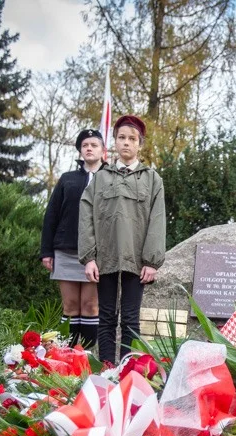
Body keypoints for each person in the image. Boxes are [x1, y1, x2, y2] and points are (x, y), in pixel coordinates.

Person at [79, 115, 165, 365]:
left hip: (137, 260)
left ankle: (128, 370)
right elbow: (86, 216)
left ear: (140, 144)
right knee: (105, 316)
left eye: (132, 139)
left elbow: (157, 220)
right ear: (114, 142)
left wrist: (152, 261)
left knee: (130, 317)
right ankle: (107, 368)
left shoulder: (152, 179)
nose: (126, 143)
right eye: (121, 138)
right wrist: (89, 257)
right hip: (105, 257)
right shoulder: (101, 178)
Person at [39, 128, 105, 347]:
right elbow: (52, 215)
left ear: (103, 150)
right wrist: (46, 252)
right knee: (70, 305)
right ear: (80, 150)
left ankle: (86, 356)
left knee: (90, 305)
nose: (89, 148)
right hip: (66, 251)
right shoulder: (67, 179)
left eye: (94, 145)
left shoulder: (111, 179)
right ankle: (66, 356)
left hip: (97, 255)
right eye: (85, 145)